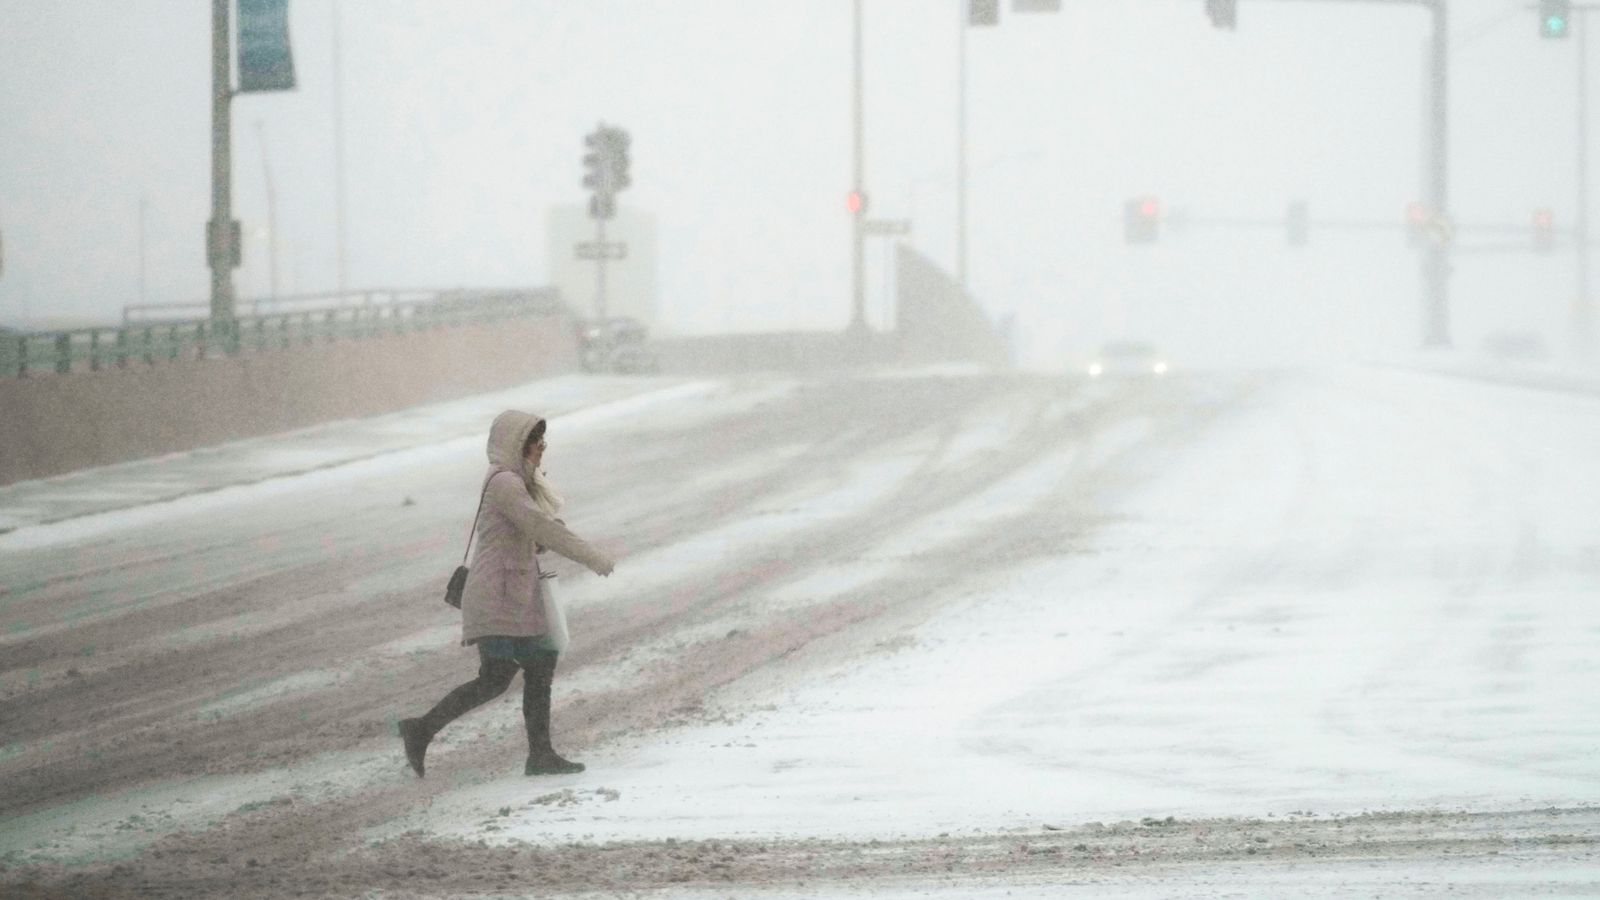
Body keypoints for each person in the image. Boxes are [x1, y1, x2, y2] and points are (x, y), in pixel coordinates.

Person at [400, 410, 615, 777]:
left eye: (543, 442)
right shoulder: (506, 484)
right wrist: (591, 556)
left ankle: (540, 754)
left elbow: (528, 533)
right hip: (497, 597)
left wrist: (539, 540)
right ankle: (421, 729)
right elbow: (539, 526)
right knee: (497, 677)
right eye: (536, 443)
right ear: (518, 444)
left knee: (538, 663)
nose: (541, 450)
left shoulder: (517, 482)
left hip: (511, 593)